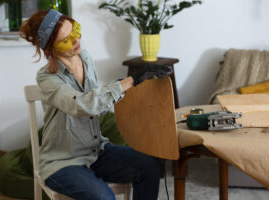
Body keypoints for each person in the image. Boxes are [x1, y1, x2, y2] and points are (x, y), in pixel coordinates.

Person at [20, 9, 172, 200]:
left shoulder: (85, 58)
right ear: (51, 48)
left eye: (75, 31)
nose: (76, 40)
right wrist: (131, 80)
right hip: (62, 162)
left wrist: (129, 85)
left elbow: (96, 97)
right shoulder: (46, 78)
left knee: (150, 167)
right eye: (66, 40)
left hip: (96, 151)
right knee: (103, 197)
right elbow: (81, 105)